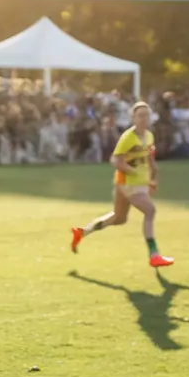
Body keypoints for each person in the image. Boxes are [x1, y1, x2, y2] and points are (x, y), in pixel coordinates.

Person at [71, 102, 174, 269]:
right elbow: (114, 159)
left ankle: (82, 232)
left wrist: (154, 177)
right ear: (133, 118)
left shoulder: (148, 136)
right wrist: (131, 171)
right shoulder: (128, 137)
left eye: (146, 115)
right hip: (128, 183)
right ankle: (154, 255)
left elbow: (150, 160)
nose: (144, 119)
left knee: (119, 218)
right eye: (140, 115)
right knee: (150, 211)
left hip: (132, 184)